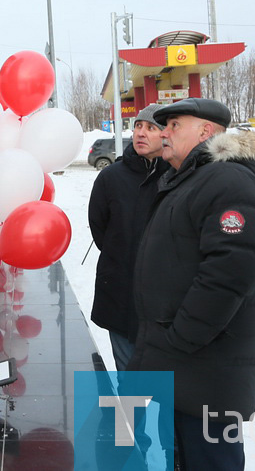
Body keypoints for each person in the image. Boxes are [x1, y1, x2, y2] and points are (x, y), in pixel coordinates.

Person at [129, 97, 255, 470]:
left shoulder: (227, 178)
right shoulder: (191, 177)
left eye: (174, 125)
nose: (164, 133)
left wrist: (181, 338)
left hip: (205, 368)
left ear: (206, 131)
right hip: (186, 367)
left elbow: (230, 269)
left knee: (210, 460)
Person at [87, 103, 169, 371]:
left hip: (162, 301)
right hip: (120, 292)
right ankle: (134, 414)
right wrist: (122, 254)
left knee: (161, 381)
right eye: (138, 126)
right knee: (129, 377)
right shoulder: (111, 177)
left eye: (151, 128)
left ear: (166, 134)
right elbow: (99, 227)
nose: (141, 133)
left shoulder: (177, 175)